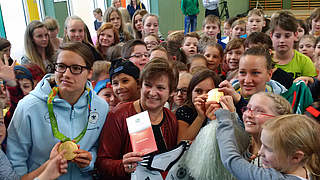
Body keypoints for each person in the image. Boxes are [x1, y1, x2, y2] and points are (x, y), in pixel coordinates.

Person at [7, 42, 109, 180]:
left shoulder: (101, 107)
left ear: (90, 73)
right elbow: (16, 158)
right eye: (61, 66)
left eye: (76, 68)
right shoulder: (28, 107)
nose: (66, 74)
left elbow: (100, 148)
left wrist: (90, 160)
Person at [96, 58, 178, 179]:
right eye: (148, 85)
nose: (152, 92)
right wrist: (121, 166)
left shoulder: (170, 118)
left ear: (172, 92)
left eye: (160, 88)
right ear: (140, 85)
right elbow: (101, 163)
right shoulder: (119, 115)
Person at [215, 108, 320, 180]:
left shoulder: (272, 178)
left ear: (296, 157)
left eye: (268, 148)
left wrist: (224, 119)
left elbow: (231, 160)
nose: (260, 152)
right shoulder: (307, 168)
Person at [219, 47, 287, 119]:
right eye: (242, 72)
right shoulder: (225, 98)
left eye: (255, 73)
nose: (247, 80)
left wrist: (239, 101)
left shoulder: (282, 105)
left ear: (269, 75)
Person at [239, 92, 292, 166]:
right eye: (248, 108)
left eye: (259, 111)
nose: (248, 114)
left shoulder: (277, 159)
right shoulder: (246, 140)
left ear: (278, 119)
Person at [176, 69, 221, 142]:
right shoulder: (184, 111)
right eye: (198, 91)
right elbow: (182, 142)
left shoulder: (223, 112)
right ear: (191, 93)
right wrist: (200, 117)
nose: (203, 95)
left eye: (209, 92)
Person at [271, 11, 317, 81]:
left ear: (295, 35)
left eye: (287, 36)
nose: (282, 40)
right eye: (277, 36)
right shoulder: (265, 60)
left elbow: (313, 87)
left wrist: (309, 79)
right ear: (271, 36)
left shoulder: (304, 62)